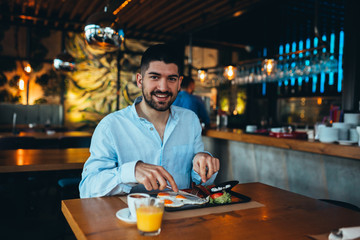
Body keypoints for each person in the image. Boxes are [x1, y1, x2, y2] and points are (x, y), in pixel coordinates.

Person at [79, 44, 220, 198]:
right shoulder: (110, 126)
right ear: (140, 80)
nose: (163, 87)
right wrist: (131, 171)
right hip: (132, 217)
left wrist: (202, 162)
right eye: (154, 77)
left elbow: (200, 181)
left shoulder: (190, 120)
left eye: (171, 79)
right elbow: (87, 189)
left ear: (179, 83)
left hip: (182, 216)